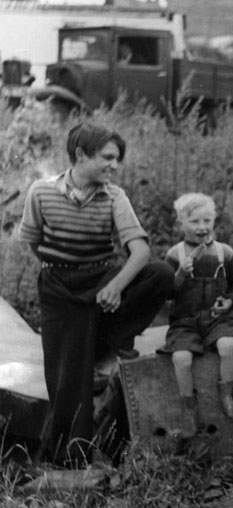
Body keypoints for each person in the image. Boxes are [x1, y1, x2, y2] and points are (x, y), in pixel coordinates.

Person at [17, 121, 174, 467]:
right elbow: (32, 242)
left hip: (101, 280)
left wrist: (115, 286)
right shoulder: (40, 192)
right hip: (59, 289)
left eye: (117, 159)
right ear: (80, 155)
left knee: (160, 274)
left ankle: (110, 337)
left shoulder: (114, 195)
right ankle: (70, 460)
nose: (114, 166)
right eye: (108, 158)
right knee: (69, 379)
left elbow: (141, 252)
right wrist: (60, 270)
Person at [162, 193, 233, 436]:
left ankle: (227, 397)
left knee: (228, 345)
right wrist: (179, 274)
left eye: (207, 221)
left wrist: (228, 302)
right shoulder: (174, 255)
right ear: (181, 224)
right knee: (181, 359)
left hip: (217, 319)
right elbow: (166, 294)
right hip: (185, 322)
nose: (202, 227)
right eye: (195, 222)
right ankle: (190, 410)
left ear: (214, 221)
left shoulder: (224, 253)